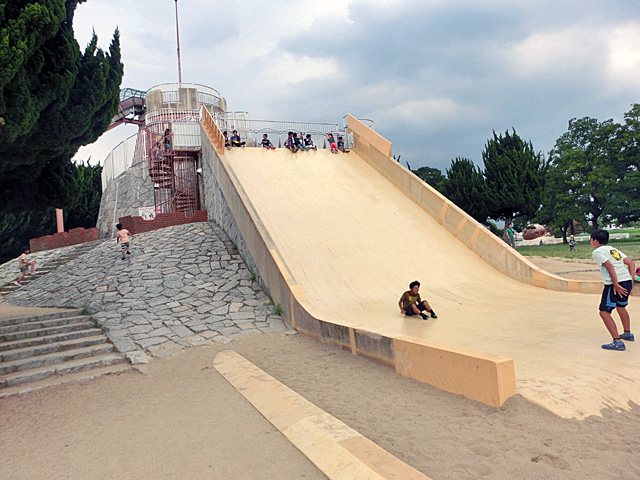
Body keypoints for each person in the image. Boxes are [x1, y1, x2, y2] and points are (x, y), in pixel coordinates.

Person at [590, 229, 635, 351]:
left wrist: (615, 284)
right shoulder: (613, 250)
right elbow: (631, 263)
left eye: (591, 239)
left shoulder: (597, 252)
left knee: (604, 312)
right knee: (621, 307)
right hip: (626, 280)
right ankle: (627, 333)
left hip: (615, 284)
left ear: (595, 240)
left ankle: (617, 341)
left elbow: (609, 266)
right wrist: (630, 282)